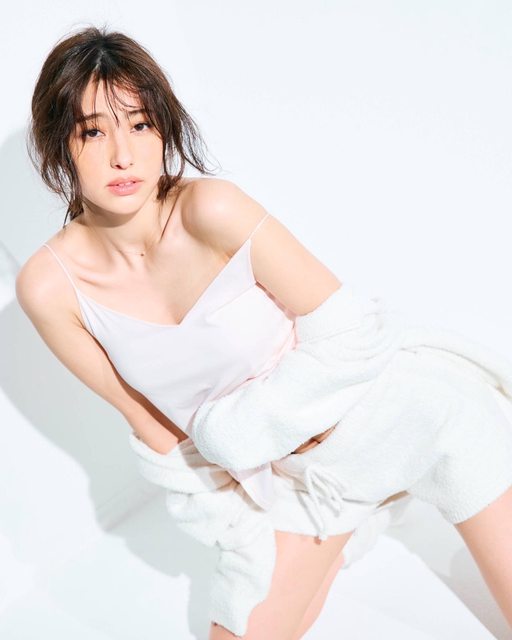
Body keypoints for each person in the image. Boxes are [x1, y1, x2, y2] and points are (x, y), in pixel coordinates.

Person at [15, 25, 512, 639]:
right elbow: (154, 431)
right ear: (58, 142)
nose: (124, 155)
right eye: (93, 131)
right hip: (307, 492)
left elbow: (349, 332)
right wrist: (241, 530)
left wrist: (231, 431)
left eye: (140, 124)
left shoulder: (211, 210)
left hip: (408, 419)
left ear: (164, 127)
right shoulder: (51, 287)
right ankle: (355, 522)